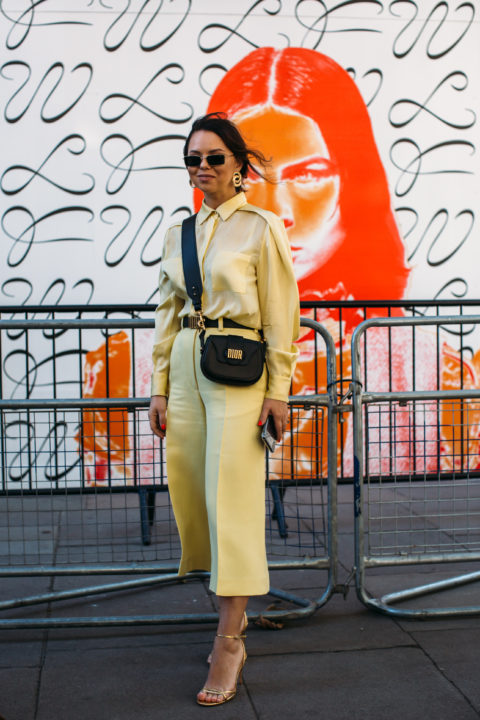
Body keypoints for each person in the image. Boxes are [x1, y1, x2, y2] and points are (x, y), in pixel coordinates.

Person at [148, 112, 300, 706]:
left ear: (239, 164)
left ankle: (230, 639)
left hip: (239, 366)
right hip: (187, 363)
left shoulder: (261, 227)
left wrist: (279, 389)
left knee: (232, 495)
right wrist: (159, 384)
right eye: (193, 159)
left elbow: (280, 313)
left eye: (214, 158)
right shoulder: (179, 232)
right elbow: (166, 310)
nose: (202, 168)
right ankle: (226, 617)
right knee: (193, 492)